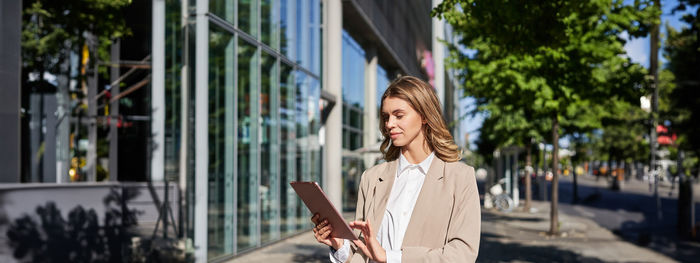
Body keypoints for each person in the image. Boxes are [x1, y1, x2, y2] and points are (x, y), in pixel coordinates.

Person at [311, 76, 481, 263]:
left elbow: (462, 254)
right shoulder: (371, 178)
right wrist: (339, 245)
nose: (389, 124)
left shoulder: (460, 177)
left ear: (424, 116)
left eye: (399, 115)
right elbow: (363, 252)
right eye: (386, 117)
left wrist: (391, 257)